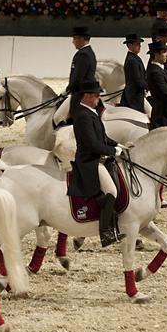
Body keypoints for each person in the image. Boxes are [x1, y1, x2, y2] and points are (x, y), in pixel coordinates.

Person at [67, 79, 125, 247]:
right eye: (96, 96)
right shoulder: (83, 116)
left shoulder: (91, 112)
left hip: (98, 158)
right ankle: (105, 233)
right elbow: (93, 144)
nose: (99, 99)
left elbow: (103, 137)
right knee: (112, 192)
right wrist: (112, 151)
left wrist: (117, 144)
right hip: (89, 161)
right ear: (87, 96)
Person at [53, 27, 97, 126]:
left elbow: (77, 78)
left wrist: (67, 91)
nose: (73, 42)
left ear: (81, 39)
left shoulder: (83, 54)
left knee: (58, 118)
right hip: (85, 90)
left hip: (80, 93)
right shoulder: (88, 52)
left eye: (74, 38)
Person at [118, 34, 147, 112]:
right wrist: (151, 86)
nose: (140, 46)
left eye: (140, 44)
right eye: (137, 44)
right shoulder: (132, 60)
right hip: (134, 97)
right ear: (130, 45)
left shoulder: (134, 57)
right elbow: (138, 80)